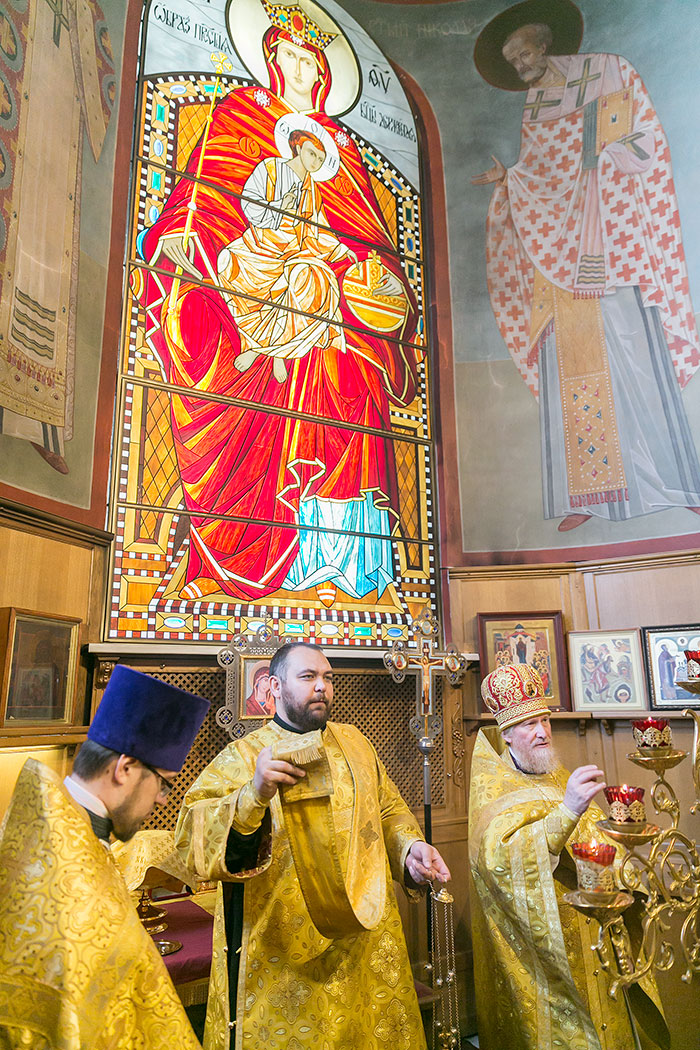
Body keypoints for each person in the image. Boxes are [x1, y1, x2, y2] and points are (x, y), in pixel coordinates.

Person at [136, 7, 421, 607]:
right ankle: (250, 541)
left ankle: (339, 562)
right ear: (270, 60)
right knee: (253, 308)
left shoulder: (343, 151)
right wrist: (183, 234)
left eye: (307, 60)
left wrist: (373, 278)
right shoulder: (237, 116)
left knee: (349, 364)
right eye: (286, 55)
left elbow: (362, 238)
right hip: (253, 270)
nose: (296, 67)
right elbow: (208, 201)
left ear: (322, 72)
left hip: (326, 296)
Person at [472, 0, 700, 532]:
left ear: (543, 43)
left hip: (615, 238)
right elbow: (542, 173)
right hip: (560, 252)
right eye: (512, 62)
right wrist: (510, 181)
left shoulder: (609, 71)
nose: (520, 67)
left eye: (523, 54)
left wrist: (616, 152)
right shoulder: (535, 105)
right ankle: (589, 495)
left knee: (640, 360)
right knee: (572, 372)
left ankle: (679, 482)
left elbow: (646, 138)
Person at [175, 641, 450, 1050]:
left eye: (327, 677)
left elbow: (388, 810)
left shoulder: (355, 744)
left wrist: (410, 849)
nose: (321, 686)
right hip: (283, 953)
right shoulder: (244, 756)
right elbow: (192, 839)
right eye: (307, 677)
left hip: (365, 941)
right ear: (274, 686)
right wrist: (253, 794)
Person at [0, 664, 210, 1049]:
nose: (162, 800)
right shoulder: (73, 886)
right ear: (125, 768)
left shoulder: (55, 834)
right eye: (163, 784)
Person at [469, 663, 668, 1050]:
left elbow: (596, 838)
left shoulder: (558, 776)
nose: (542, 732)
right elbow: (498, 862)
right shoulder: (493, 789)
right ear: (506, 734)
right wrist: (568, 811)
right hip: (547, 947)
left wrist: (633, 879)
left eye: (544, 720)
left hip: (596, 929)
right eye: (529, 724)